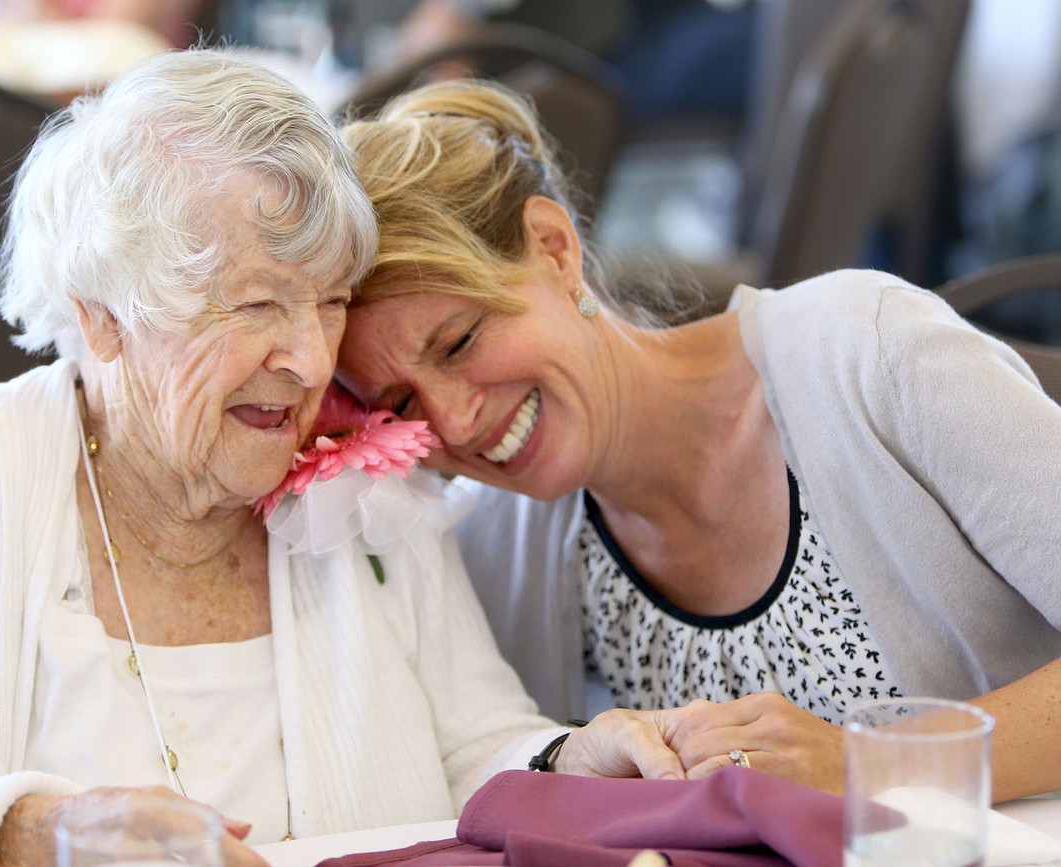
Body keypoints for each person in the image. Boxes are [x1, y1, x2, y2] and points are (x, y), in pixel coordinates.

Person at [0, 50, 627, 867]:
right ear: (103, 315)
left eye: (327, 302)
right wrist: (35, 832)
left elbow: (474, 741)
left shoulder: (357, 472)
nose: (309, 360)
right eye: (254, 303)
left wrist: (573, 754)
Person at [334, 78, 1061, 803]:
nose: (455, 422)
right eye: (400, 405)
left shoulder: (870, 355)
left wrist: (866, 763)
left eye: (461, 341)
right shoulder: (492, 551)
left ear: (554, 250)